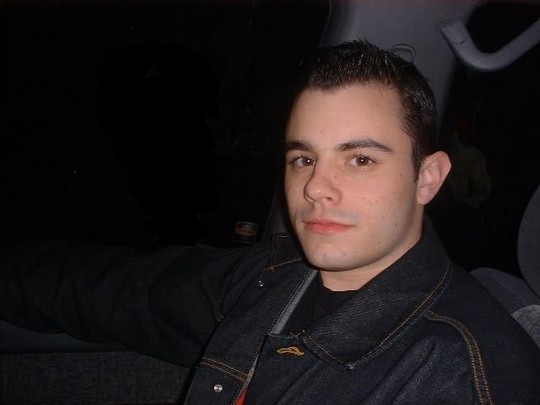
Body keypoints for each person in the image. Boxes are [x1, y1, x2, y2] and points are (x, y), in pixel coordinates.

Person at [1, 40, 539, 404]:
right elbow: (115, 290)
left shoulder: (466, 377)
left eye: (359, 159)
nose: (315, 187)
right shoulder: (274, 277)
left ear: (428, 177)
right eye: (304, 158)